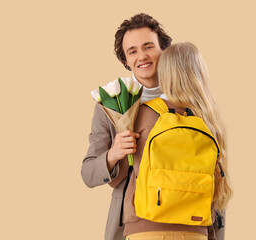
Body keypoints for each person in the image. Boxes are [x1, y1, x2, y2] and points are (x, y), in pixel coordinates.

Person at [81, 13, 226, 239]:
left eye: (148, 47)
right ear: (126, 61)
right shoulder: (111, 106)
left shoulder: (195, 102)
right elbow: (88, 173)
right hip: (136, 221)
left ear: (164, 50)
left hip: (194, 220)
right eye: (132, 51)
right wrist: (112, 155)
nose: (142, 56)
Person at [116, 42, 232, 240]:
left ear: (164, 74)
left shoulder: (139, 114)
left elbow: (119, 179)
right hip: (195, 229)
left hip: (146, 227)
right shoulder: (210, 122)